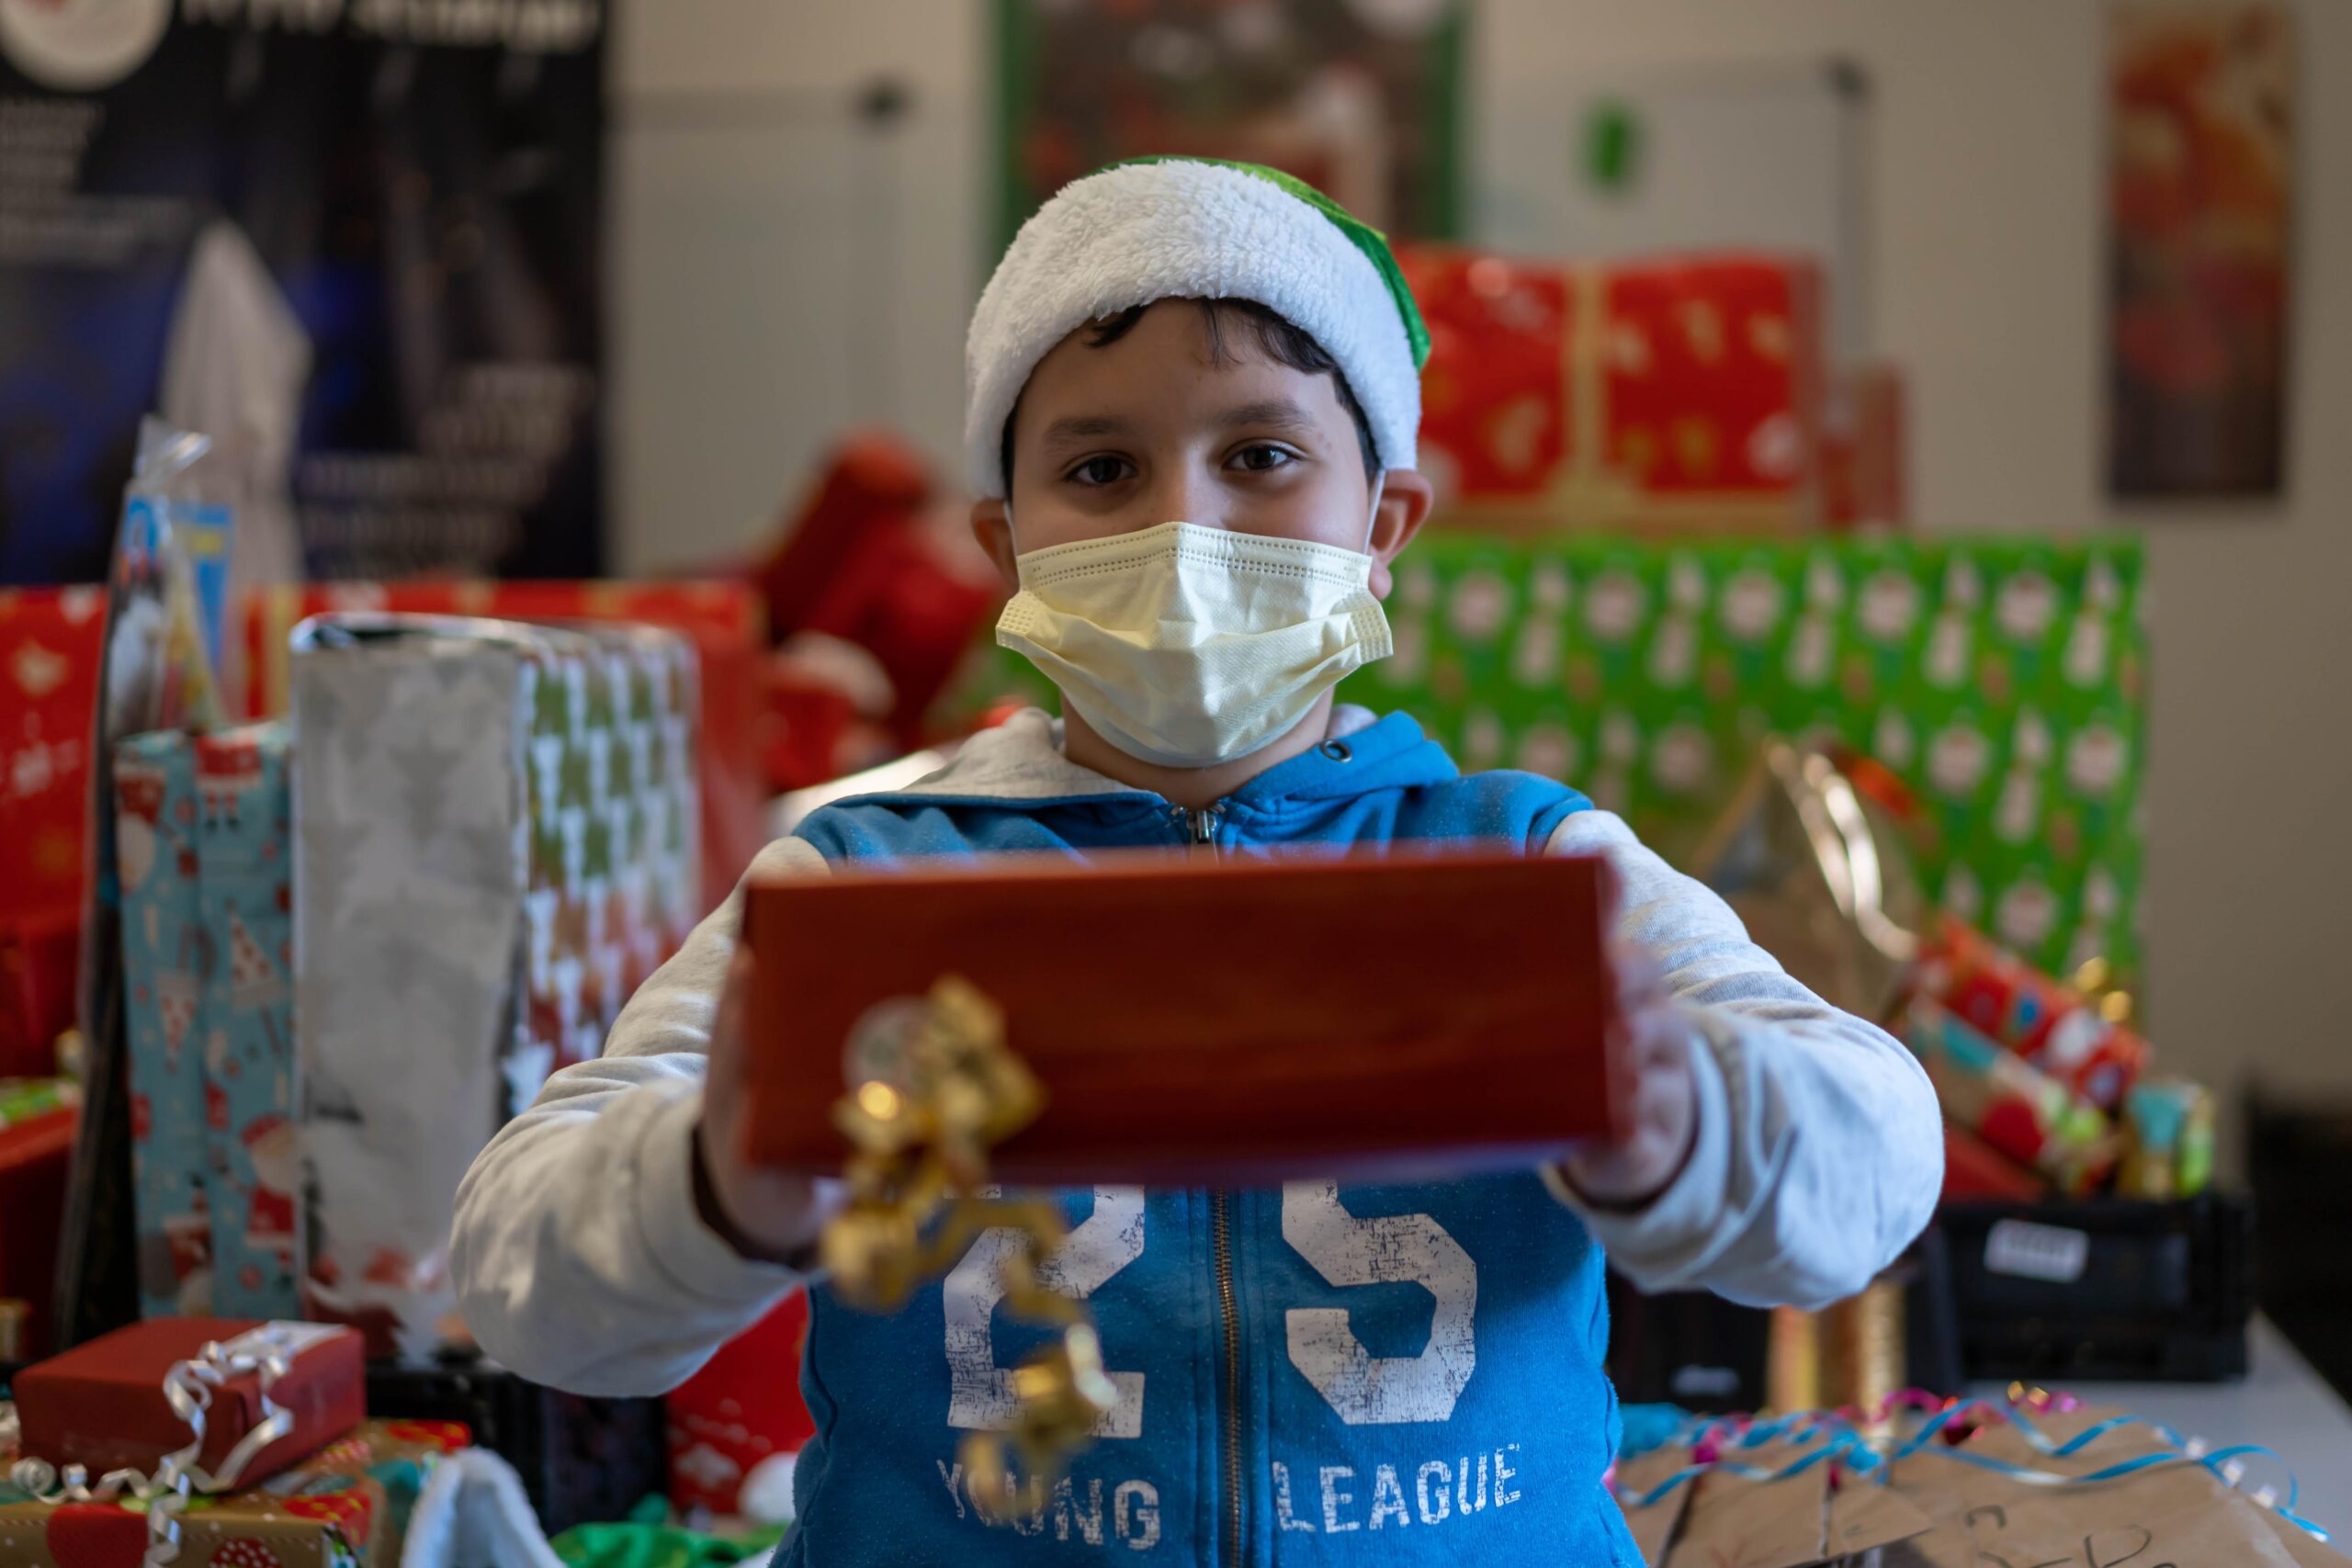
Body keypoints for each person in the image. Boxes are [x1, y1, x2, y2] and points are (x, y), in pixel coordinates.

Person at [453, 157, 1941, 1565]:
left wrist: (1693, 1117)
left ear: (1385, 523)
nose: (1184, 522)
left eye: (1262, 454)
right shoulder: (859, 890)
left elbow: (1880, 1157)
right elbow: (520, 1269)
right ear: (1006, 542)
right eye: (1101, 467)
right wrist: (712, 1183)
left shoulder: (1531, 866)